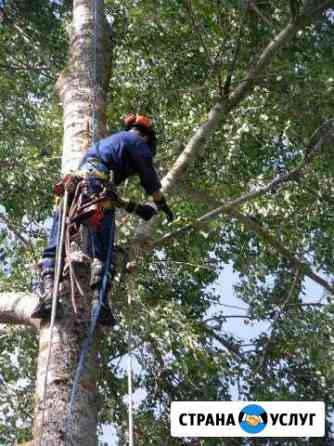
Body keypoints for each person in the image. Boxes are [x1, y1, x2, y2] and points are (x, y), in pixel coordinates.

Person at [31, 114, 173, 326]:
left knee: (56, 244)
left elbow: (104, 190)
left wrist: (136, 208)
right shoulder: (135, 140)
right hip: (94, 189)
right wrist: (160, 203)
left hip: (72, 188)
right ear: (145, 137)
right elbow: (147, 175)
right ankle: (100, 305)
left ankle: (48, 296)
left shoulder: (106, 147)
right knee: (104, 252)